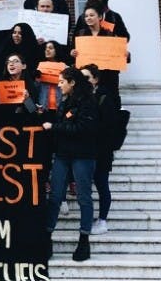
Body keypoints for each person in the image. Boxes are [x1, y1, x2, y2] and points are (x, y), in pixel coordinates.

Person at [42, 66, 99, 262]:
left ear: (72, 82)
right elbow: (63, 123)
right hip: (63, 155)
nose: (59, 85)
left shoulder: (88, 102)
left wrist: (54, 126)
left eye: (61, 82)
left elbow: (82, 128)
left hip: (83, 156)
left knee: (84, 197)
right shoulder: (65, 101)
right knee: (55, 196)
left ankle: (84, 241)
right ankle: (46, 238)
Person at [81, 63, 121, 236]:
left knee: (102, 184)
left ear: (95, 79)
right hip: (85, 149)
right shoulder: (81, 97)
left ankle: (103, 220)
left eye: (87, 77)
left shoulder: (104, 97)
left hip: (101, 151)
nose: (83, 81)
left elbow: (110, 125)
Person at [36, 40, 69, 111]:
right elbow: (36, 88)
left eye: (50, 48)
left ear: (57, 50)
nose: (47, 50)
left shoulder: (65, 68)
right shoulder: (40, 67)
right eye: (46, 48)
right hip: (43, 106)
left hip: (60, 106)